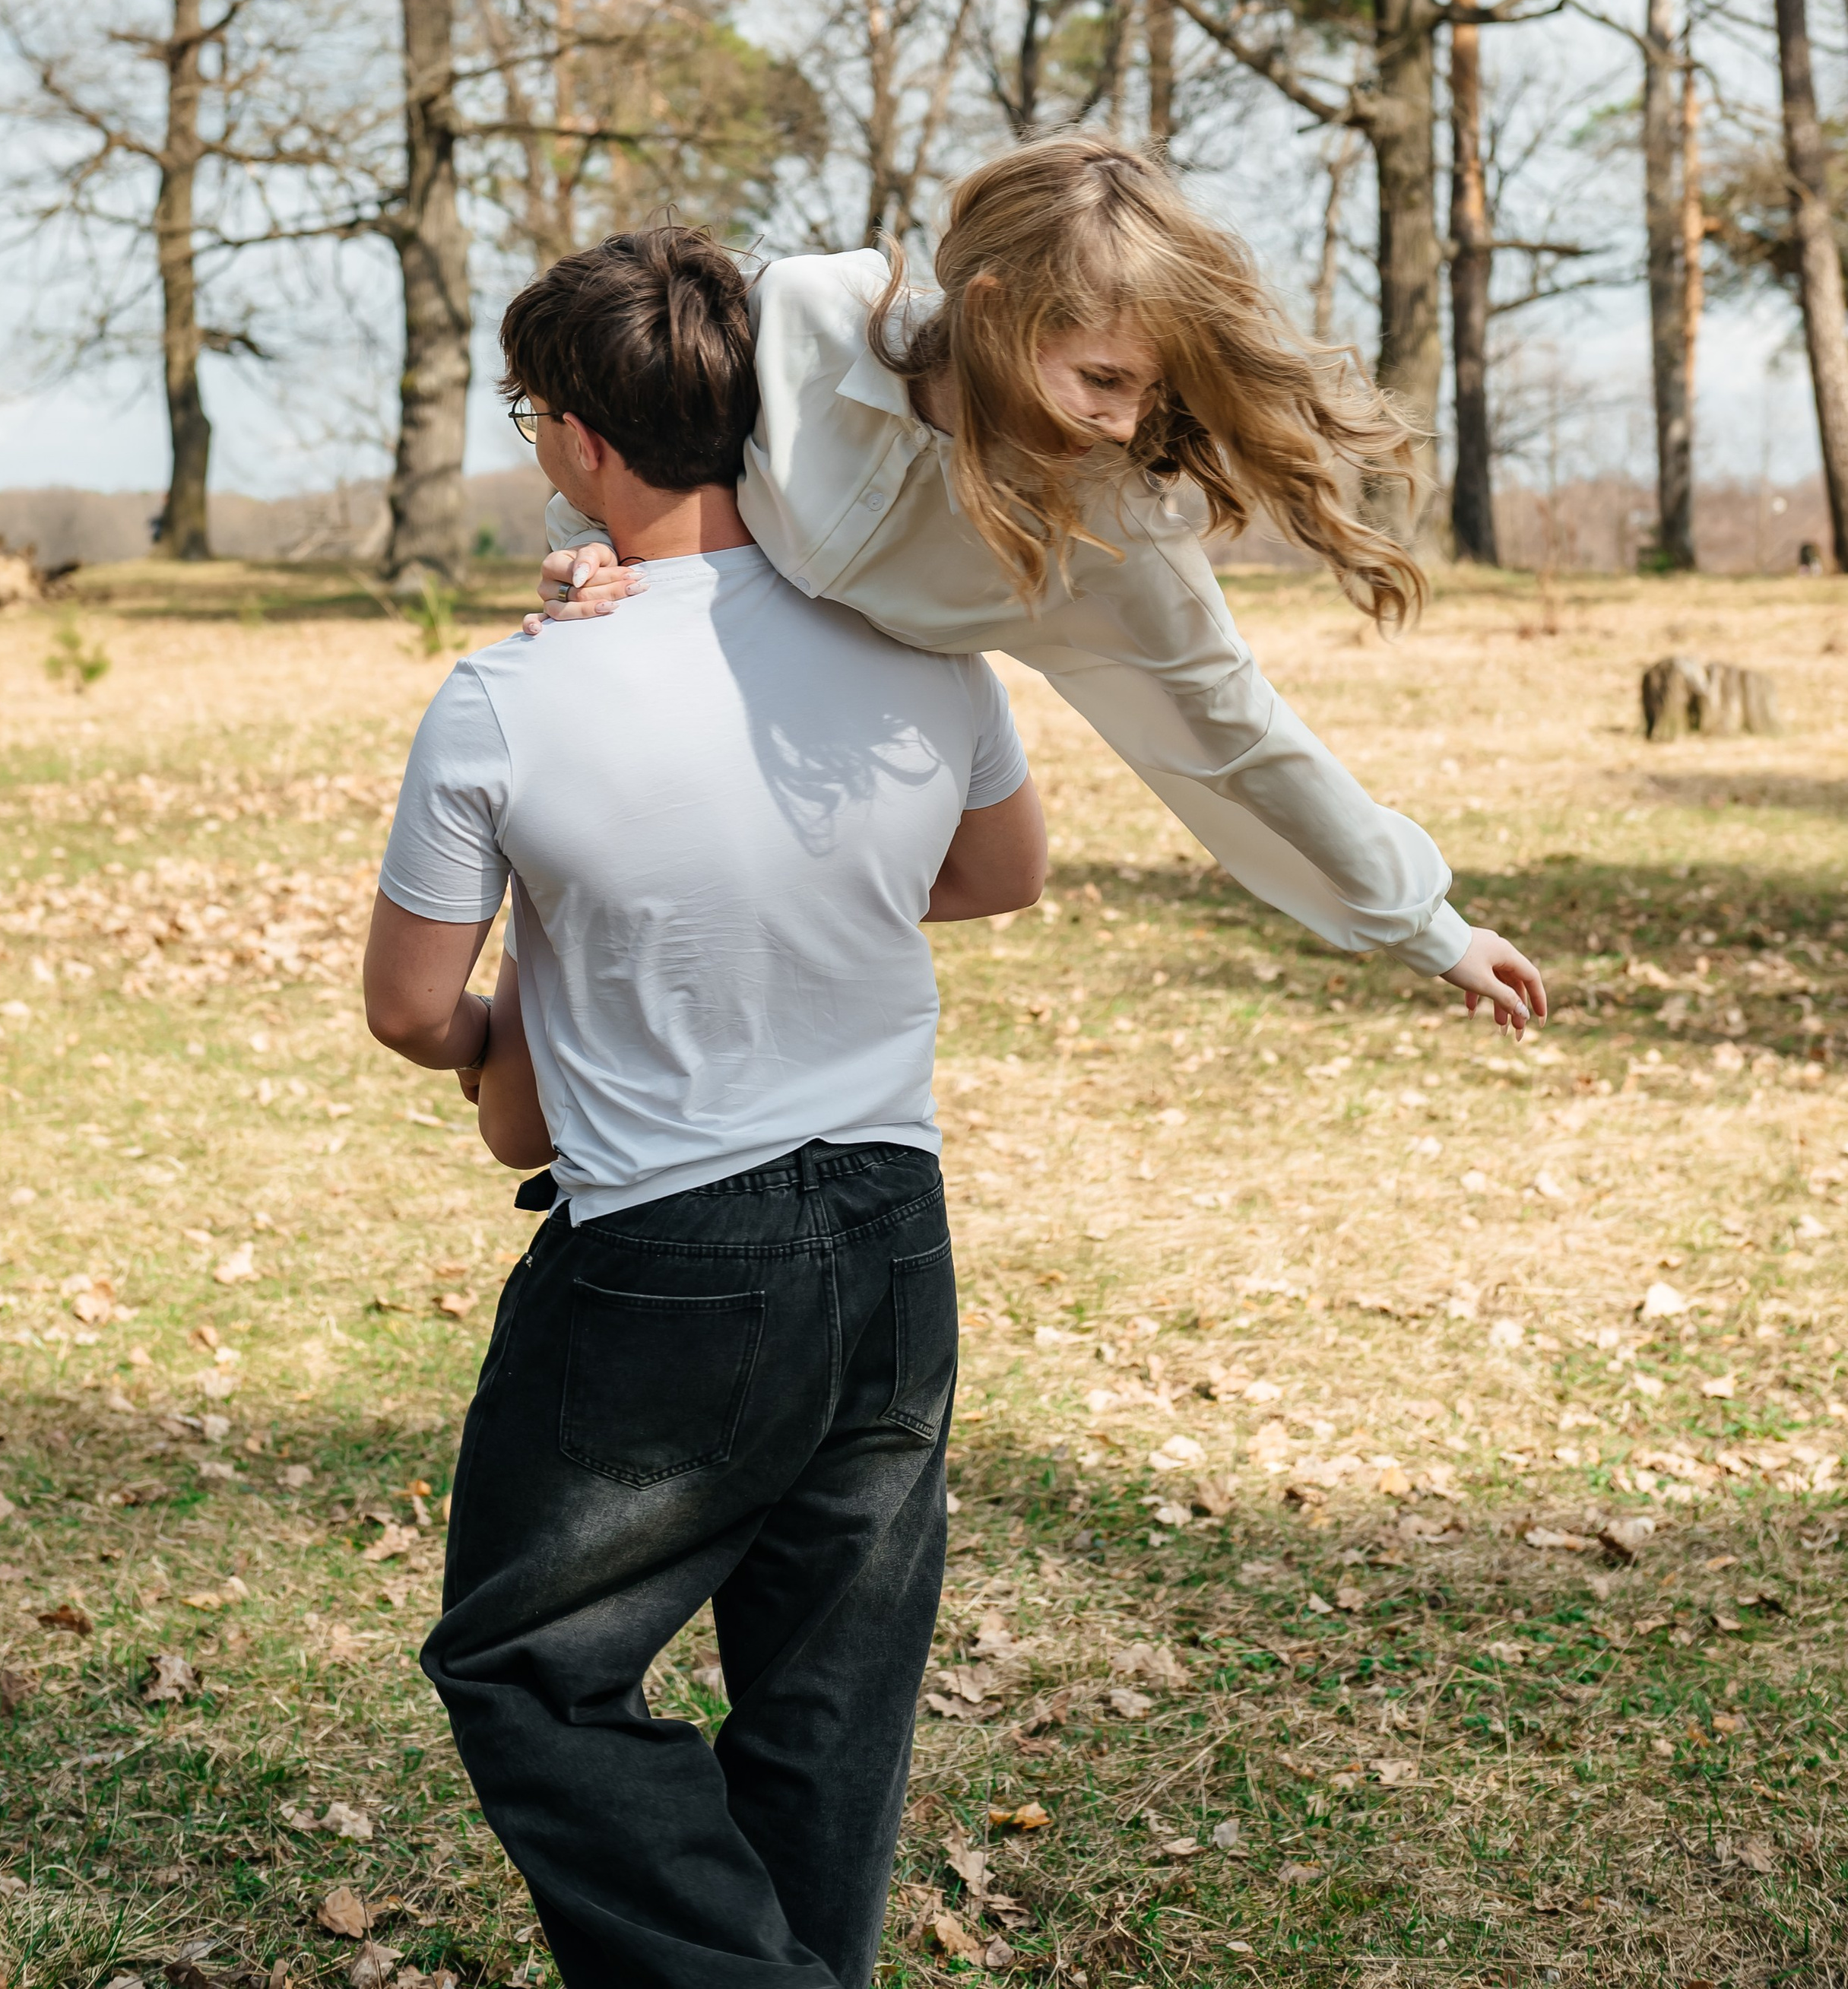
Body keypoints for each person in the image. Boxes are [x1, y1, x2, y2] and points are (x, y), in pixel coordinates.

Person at [363, 224, 1047, 1989]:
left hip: (668, 1258)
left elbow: (412, 1004)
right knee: (827, 1702)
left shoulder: (512, 694)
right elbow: (995, 872)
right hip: (895, 1240)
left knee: (528, 1664)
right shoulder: (915, 643)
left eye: (527, 408)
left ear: (582, 438)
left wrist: (530, 1013)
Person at [537, 133, 1547, 1038]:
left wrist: (1429, 926)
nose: (1124, 421)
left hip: (860, 819)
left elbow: (1243, 739)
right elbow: (637, 427)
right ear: (992, 315)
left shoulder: (1109, 534)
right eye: (1103, 379)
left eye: (1148, 389)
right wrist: (590, 542)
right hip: (678, 757)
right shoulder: (803, 315)